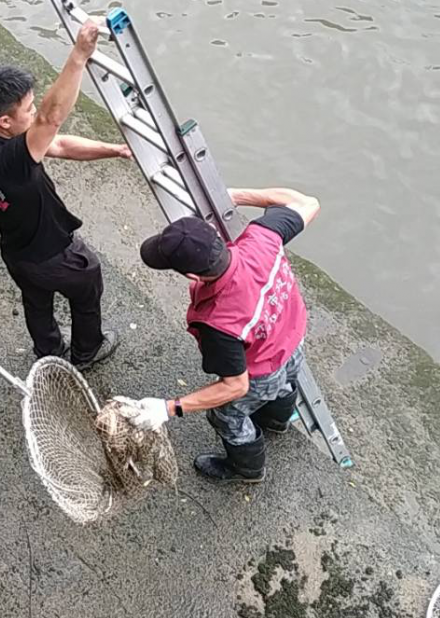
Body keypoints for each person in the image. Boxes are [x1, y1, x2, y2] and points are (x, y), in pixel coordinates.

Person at [115, 186, 321, 483]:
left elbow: (235, 387)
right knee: (287, 380)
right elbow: (307, 201)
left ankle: (247, 469)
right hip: (293, 336)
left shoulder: (217, 322)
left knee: (226, 415)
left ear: (193, 276)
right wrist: (236, 195)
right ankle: (276, 421)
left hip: (262, 368)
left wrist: (169, 408)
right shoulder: (262, 238)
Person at [0, 19, 128, 370]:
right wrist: (78, 56)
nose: (34, 110)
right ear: (5, 121)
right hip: (51, 253)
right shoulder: (11, 160)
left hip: (18, 252)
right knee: (88, 283)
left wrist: (113, 149)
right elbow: (51, 119)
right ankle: (88, 351)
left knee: (36, 302)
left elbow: (57, 143)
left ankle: (49, 351)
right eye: (27, 109)